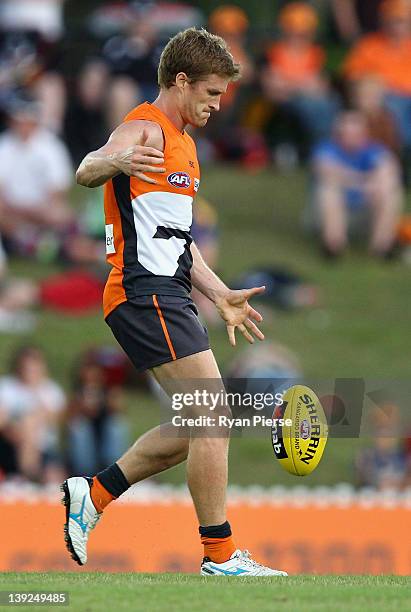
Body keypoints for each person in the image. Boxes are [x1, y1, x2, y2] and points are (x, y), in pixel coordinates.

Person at [62, 27, 287, 577]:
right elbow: (87, 167)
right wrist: (115, 163)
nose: (217, 105)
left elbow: (177, 242)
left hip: (169, 294)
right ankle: (219, 555)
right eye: (211, 93)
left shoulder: (186, 146)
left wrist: (220, 293)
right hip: (141, 294)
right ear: (181, 81)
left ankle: (94, 493)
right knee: (213, 416)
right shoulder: (146, 127)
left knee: (197, 426)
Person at [309, 111, 403, 257]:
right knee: (329, 188)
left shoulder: (374, 150)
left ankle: (382, 246)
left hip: (363, 211)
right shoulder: (326, 149)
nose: (352, 137)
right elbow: (327, 170)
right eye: (347, 133)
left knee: (390, 190)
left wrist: (376, 183)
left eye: (357, 133)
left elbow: (389, 169)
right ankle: (333, 245)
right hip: (324, 215)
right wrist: (363, 182)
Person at [0, 97, 73, 259]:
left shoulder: (51, 145)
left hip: (41, 208)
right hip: (13, 209)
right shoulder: (5, 143)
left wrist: (31, 209)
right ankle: (33, 241)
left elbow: (57, 192)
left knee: (58, 213)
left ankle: (28, 241)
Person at [262, 2, 340, 145]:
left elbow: (322, 86)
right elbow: (272, 88)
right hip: (287, 104)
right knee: (312, 106)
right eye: (293, 31)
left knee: (331, 103)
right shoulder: (273, 52)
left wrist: (289, 83)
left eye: (302, 32)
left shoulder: (317, 53)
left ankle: (328, 147)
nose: (297, 36)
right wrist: (304, 84)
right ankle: (321, 148)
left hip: (315, 101)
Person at [343, 0, 411, 150]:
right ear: (383, 21)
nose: (397, 26)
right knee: (393, 109)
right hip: (387, 99)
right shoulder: (369, 46)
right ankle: (402, 155)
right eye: (393, 20)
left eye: (402, 21)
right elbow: (353, 77)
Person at [0, 345, 66, 484]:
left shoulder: (50, 390)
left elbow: (58, 420)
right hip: (10, 443)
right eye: (26, 368)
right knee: (27, 424)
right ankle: (27, 473)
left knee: (55, 478)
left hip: (43, 446)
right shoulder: (7, 387)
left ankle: (27, 474)